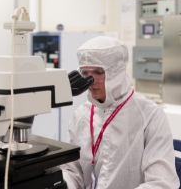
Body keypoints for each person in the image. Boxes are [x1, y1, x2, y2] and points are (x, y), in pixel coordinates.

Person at [61, 36, 179, 189]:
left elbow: (161, 182)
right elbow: (71, 171)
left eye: (98, 72)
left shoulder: (149, 115)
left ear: (116, 72)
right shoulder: (80, 115)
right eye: (84, 73)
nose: (91, 80)